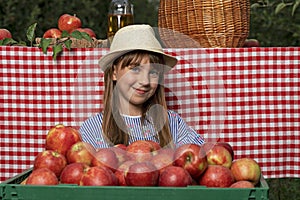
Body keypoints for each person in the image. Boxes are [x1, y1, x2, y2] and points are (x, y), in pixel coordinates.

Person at [79, 24, 204, 149]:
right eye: (135, 69)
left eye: (153, 72)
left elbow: (202, 157)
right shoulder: (92, 130)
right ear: (114, 72)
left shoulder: (173, 124)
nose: (145, 81)